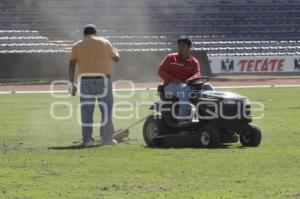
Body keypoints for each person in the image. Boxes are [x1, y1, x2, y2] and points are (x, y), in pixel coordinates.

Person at [69, 24, 120, 146]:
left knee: (87, 111)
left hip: (85, 81)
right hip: (103, 80)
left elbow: (71, 66)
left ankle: (87, 140)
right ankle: (107, 138)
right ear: (96, 33)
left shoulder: (77, 45)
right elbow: (116, 59)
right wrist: (117, 51)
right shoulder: (105, 42)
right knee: (106, 109)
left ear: (84, 34)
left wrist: (72, 82)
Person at [158, 35, 213, 124]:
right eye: (179, 45)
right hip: (170, 86)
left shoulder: (194, 62)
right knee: (185, 89)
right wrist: (172, 79)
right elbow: (161, 71)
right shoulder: (170, 57)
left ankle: (213, 114)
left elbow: (197, 74)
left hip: (187, 85)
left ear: (189, 47)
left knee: (207, 86)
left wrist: (191, 79)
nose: (180, 48)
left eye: (183, 45)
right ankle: (182, 120)